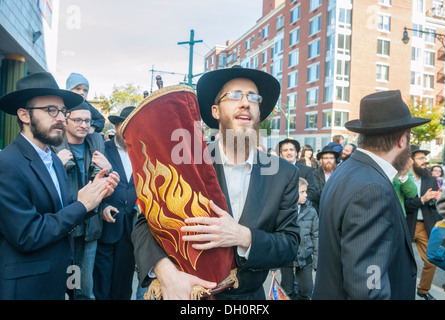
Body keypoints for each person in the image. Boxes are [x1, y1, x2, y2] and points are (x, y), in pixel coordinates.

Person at [131, 65, 300, 300]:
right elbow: (145, 224)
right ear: (215, 111)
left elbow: (290, 245)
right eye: (234, 95)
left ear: (260, 113)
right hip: (188, 295)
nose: (245, 102)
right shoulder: (188, 160)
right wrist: (167, 274)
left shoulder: (284, 173)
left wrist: (243, 236)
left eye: (253, 97)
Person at [0, 72, 119, 299]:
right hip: (27, 287)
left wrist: (93, 196)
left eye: (63, 111)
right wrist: (81, 206)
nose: (61, 118)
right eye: (50, 110)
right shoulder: (7, 164)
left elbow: (60, 211)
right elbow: (27, 234)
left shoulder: (52, 159)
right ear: (24, 115)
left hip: (56, 281)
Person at [313, 90, 429, 300]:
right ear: (402, 141)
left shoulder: (347, 170)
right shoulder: (372, 188)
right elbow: (368, 289)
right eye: (409, 141)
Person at [52, 101, 112, 300]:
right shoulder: (52, 149)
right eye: (78, 120)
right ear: (66, 120)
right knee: (58, 287)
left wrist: (109, 171)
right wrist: (55, 167)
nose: (84, 125)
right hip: (62, 228)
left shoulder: (97, 148)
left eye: (87, 121)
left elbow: (107, 190)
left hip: (89, 229)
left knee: (84, 290)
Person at [93, 106, 138, 300]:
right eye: (126, 126)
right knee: (101, 284)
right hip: (106, 227)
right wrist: (101, 207)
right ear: (118, 126)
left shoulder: (143, 153)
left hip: (131, 230)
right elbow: (89, 184)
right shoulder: (102, 149)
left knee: (123, 284)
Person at [405, 145, 442, 300]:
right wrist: (422, 199)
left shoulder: (430, 179)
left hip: (425, 225)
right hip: (407, 224)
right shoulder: (403, 178)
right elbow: (405, 204)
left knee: (431, 261)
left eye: (425, 158)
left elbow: (434, 206)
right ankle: (402, 290)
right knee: (402, 262)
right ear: (411, 160)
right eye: (421, 158)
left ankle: (423, 290)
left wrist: (435, 200)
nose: (425, 161)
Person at [279, 178, 318, 300]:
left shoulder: (311, 212)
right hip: (287, 258)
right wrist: (273, 265)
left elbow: (316, 236)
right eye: (302, 192)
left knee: (307, 290)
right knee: (287, 290)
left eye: (305, 191)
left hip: (305, 256)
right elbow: (276, 236)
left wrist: (316, 262)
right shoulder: (283, 212)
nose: (306, 194)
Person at [278, 138, 320, 210]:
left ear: (296, 153)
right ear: (280, 154)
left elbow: (312, 192)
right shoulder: (276, 171)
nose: (289, 153)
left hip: (300, 211)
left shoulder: (306, 170)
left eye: (291, 150)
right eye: (285, 150)